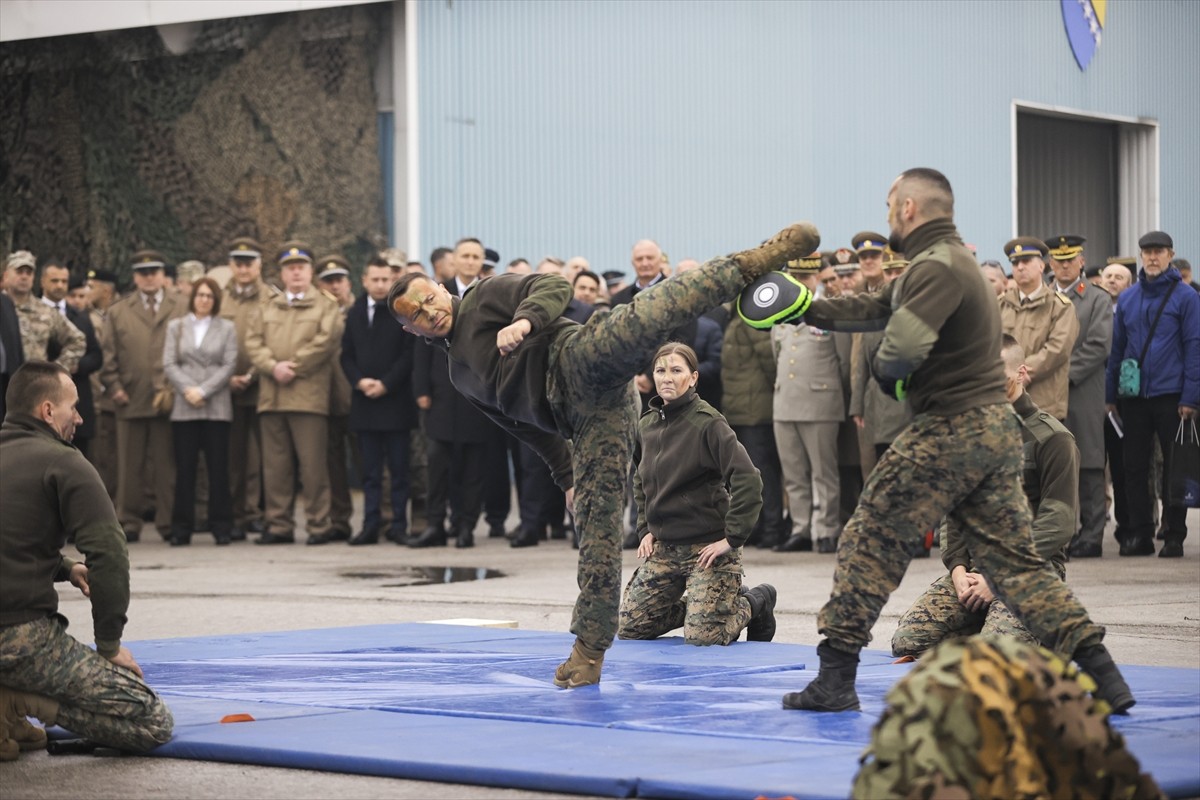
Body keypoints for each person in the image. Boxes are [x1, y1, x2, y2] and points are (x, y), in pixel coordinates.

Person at [738, 168, 1133, 715]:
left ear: (907, 209)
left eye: (887, 206)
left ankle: (834, 680)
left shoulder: (937, 267)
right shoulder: (944, 263)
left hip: (949, 428)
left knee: (868, 542)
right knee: (1018, 564)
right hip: (990, 430)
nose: (885, 215)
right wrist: (805, 307)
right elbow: (875, 308)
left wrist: (892, 376)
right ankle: (1106, 676)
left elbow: (897, 351)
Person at [388, 220, 817, 687]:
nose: (429, 312)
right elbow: (522, 427)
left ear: (438, 286)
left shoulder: (485, 295)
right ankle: (589, 652)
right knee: (597, 531)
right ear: (410, 329)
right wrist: (567, 477)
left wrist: (525, 320)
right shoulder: (459, 376)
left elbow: (550, 284)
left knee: (651, 311)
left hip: (582, 359)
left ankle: (756, 260)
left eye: (428, 298)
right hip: (588, 422)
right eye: (416, 314)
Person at [0, 361, 174, 755]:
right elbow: (109, 554)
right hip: (16, 635)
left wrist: (63, 567)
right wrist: (109, 645)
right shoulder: (65, 461)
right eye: (73, 407)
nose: (79, 417)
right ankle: (18, 701)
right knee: (152, 720)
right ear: (47, 411)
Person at [891, 336, 1079, 657]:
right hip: (976, 569)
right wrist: (958, 569)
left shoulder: (1053, 439)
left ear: (1020, 374)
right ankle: (994, 625)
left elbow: (1059, 524)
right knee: (908, 641)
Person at [616, 343, 776, 646]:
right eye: (660, 371)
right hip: (665, 547)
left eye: (676, 370)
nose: (667, 378)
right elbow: (640, 478)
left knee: (705, 637)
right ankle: (708, 607)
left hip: (707, 547)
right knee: (631, 627)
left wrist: (731, 539)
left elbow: (747, 479)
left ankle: (755, 602)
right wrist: (645, 529)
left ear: (693, 378)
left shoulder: (708, 422)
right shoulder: (646, 425)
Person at [1105, 231, 1199, 559]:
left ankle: (1174, 534)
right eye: (1147, 252)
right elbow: (1116, 350)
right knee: (1133, 467)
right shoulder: (1129, 298)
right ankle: (1140, 533)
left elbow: (1194, 348)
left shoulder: (1186, 297)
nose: (1152, 258)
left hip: (1171, 395)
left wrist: (1190, 397)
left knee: (1173, 467)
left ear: (1170, 255)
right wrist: (1110, 396)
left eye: (1158, 252)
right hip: (1133, 397)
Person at [246, 241, 343, 545]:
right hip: (272, 397)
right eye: (290, 268)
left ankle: (318, 525)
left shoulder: (326, 305)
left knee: (313, 467)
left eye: (301, 267)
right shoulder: (267, 306)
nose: (296, 273)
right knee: (276, 468)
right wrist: (273, 367)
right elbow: (252, 343)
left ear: (311, 272)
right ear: (282, 273)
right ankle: (278, 525)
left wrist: (294, 367)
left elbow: (326, 341)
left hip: (308, 397)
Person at [101, 249, 188, 542]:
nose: (149, 278)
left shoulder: (182, 306)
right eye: (143, 272)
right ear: (135, 277)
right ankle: (128, 522)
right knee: (129, 467)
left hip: (169, 396)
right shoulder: (118, 311)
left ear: (164, 275)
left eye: (154, 272)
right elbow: (108, 356)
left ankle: (167, 522)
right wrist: (114, 387)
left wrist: (181, 387)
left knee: (167, 467)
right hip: (131, 396)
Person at [772, 252, 849, 555]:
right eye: (796, 276)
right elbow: (776, 354)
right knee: (793, 472)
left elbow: (843, 362)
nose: (801, 282)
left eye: (807, 276)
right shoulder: (780, 310)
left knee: (823, 472)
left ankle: (827, 529)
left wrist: (830, 391)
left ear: (817, 277)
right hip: (785, 401)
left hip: (821, 401)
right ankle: (801, 529)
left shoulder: (830, 309)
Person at [340, 256, 418, 545]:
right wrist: (360, 381)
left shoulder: (402, 311)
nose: (381, 284)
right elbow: (345, 354)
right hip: (364, 403)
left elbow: (409, 354)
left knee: (399, 471)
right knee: (370, 473)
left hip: (395, 403)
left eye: (386, 279)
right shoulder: (356, 312)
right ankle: (370, 524)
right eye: (375, 279)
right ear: (364, 280)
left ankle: (398, 525)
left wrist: (386, 383)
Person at [1045, 235, 1112, 559]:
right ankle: (1060, 536)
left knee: (1088, 462)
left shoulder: (1096, 298)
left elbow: (1099, 345)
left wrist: (1064, 374)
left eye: (1070, 259)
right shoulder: (1042, 296)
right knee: (1054, 464)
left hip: (1082, 391)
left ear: (1082, 261)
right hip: (1045, 393)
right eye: (1058, 260)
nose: (1064, 265)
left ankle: (1092, 534)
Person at [162, 278, 238, 546]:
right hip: (185, 406)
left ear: (215, 300)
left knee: (218, 469)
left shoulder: (227, 327)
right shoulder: (177, 327)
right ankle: (182, 528)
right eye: (200, 295)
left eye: (209, 296)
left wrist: (204, 391)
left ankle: (221, 526)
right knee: (185, 469)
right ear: (193, 297)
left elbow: (229, 364)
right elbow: (169, 363)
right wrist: (189, 390)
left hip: (216, 406)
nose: (204, 300)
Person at [998, 237, 1078, 421]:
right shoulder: (1000, 305)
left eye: (1026, 261)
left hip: (1044, 402)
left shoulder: (1060, 306)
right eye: (1015, 262)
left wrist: (1021, 373)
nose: (1020, 267)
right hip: (1006, 401)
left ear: (1042, 266)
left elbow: (1058, 349)